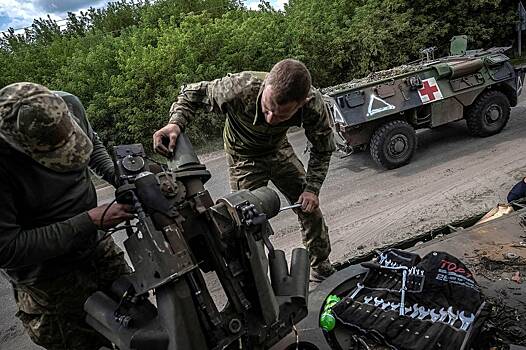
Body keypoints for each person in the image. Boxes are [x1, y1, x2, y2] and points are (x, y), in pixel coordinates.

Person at [153, 59, 336, 281]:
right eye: (268, 109)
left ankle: (321, 265)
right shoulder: (239, 87)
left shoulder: (313, 104)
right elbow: (191, 94)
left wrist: (312, 188)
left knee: (309, 207)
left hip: (278, 150)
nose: (270, 119)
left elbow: (323, 148)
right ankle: (258, 285)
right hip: (243, 158)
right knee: (244, 223)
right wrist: (175, 123)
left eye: (281, 116)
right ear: (266, 84)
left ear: (300, 104)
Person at [0, 82, 133, 350]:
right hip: (48, 277)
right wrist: (89, 221)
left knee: (136, 318)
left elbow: (92, 146)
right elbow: (6, 248)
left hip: (95, 246)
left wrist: (119, 178)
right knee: (79, 341)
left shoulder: (65, 105)